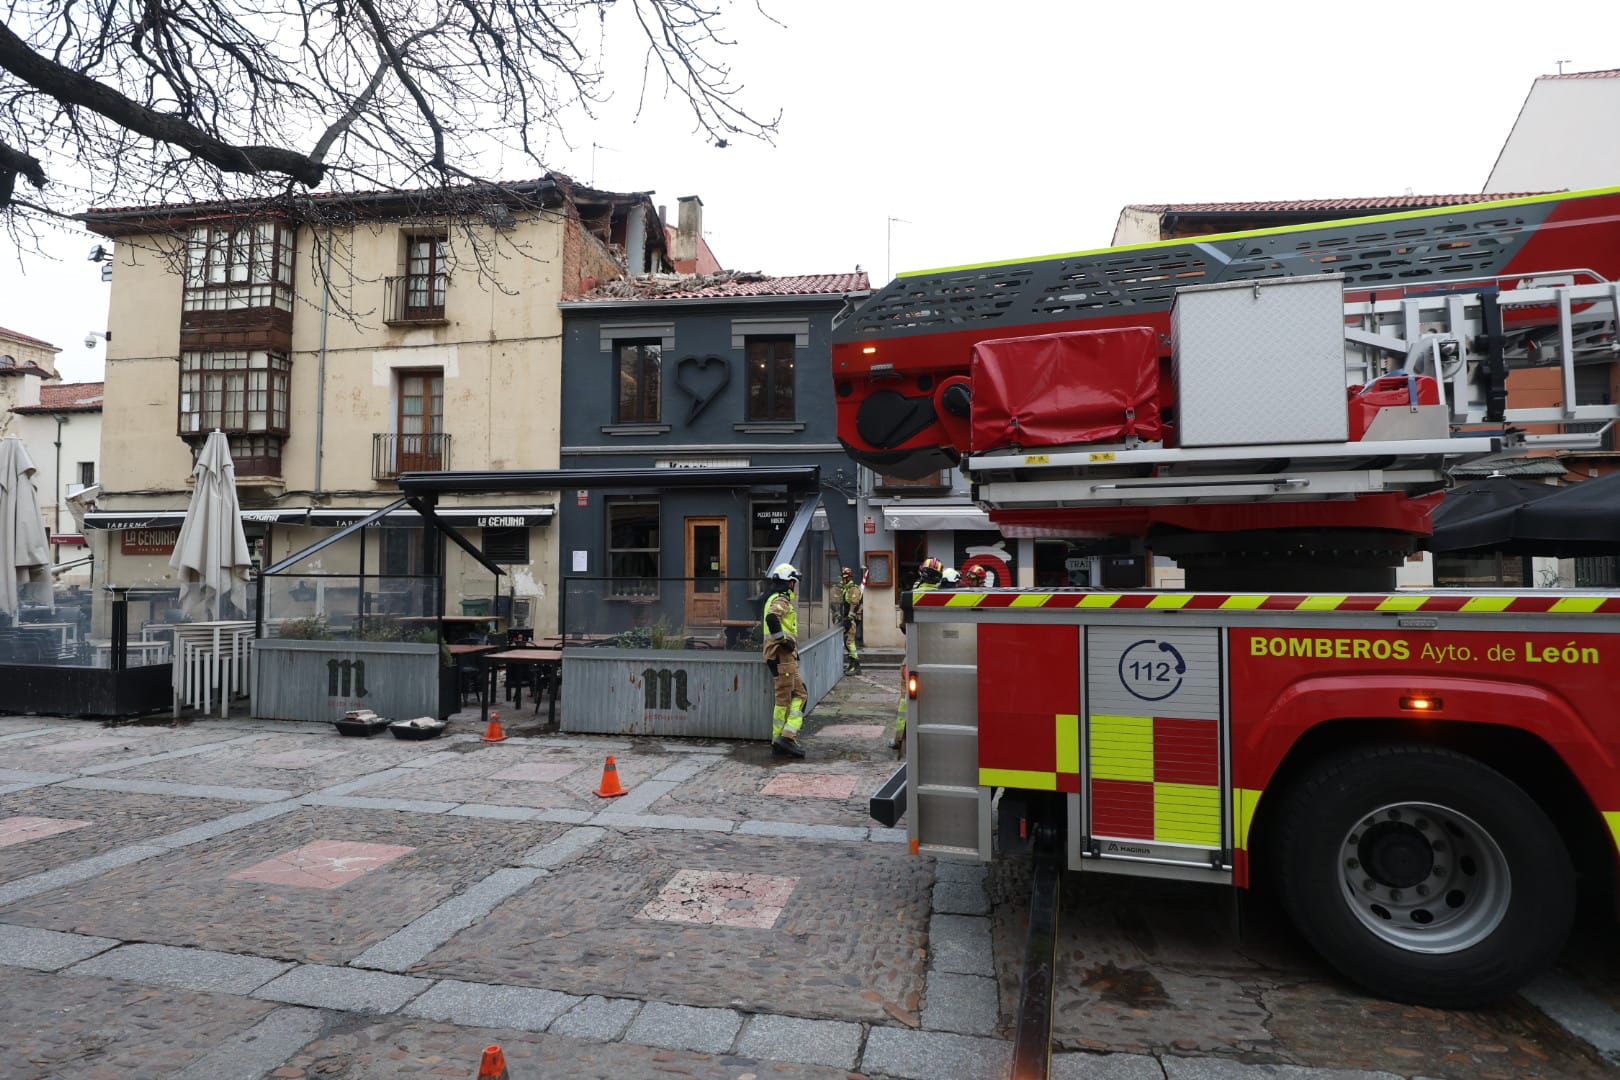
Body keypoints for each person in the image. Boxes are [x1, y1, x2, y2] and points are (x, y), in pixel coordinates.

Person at [893, 557, 945, 753]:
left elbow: (903, 626)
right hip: (938, 654)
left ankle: (900, 738)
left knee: (906, 698)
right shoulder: (946, 595)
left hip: (914, 653)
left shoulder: (912, 594)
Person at [761, 562, 807, 757]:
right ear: (789, 583)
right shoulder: (781, 600)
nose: (794, 586)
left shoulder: (774, 597)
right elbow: (772, 619)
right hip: (782, 656)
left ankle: (781, 740)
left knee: (797, 695)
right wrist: (784, 641)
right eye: (793, 582)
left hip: (782, 656)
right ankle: (785, 738)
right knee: (789, 698)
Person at [838, 566, 864, 673]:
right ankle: (851, 665)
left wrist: (849, 618)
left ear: (848, 578)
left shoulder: (853, 588)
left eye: (844, 578)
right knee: (847, 641)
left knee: (849, 642)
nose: (842, 580)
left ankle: (856, 666)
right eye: (842, 577)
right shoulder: (846, 588)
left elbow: (854, 604)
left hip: (853, 618)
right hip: (848, 618)